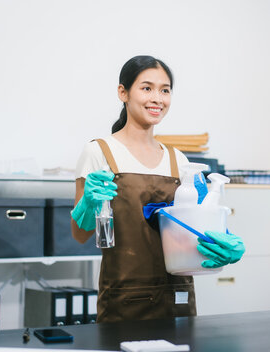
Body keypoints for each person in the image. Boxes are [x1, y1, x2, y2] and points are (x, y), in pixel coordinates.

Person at [70, 55, 245, 323]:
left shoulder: (180, 161)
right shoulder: (99, 152)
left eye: (165, 90)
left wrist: (225, 242)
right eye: (147, 88)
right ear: (123, 92)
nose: (157, 98)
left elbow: (197, 226)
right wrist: (88, 205)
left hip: (178, 299)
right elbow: (79, 235)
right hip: (123, 302)